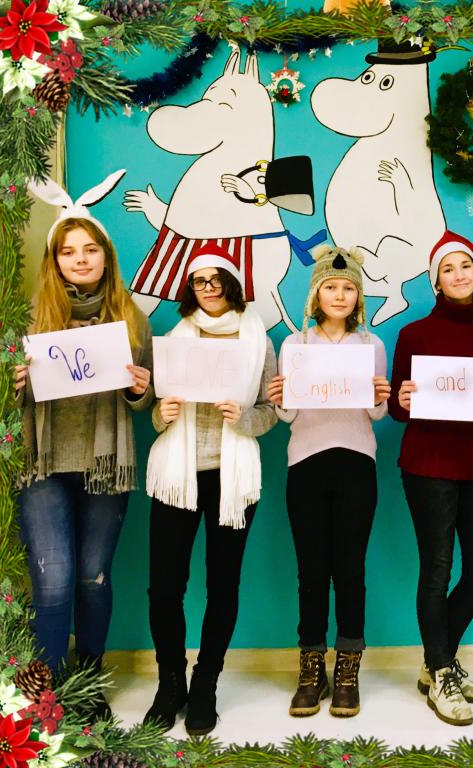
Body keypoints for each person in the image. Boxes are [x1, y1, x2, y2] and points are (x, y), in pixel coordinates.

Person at [17, 171, 153, 710]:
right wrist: (15, 384)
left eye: (90, 249)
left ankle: (87, 685)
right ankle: (47, 694)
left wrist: (140, 389)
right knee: (53, 581)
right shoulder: (31, 317)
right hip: (45, 464)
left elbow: (145, 398)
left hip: (106, 463)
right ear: (54, 260)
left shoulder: (131, 318)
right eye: (69, 251)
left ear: (105, 257)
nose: (80, 259)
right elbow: (2, 403)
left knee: (94, 579)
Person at [143, 244, 277, 735]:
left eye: (218, 280)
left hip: (231, 477)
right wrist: (162, 414)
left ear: (232, 285)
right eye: (200, 281)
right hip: (176, 477)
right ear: (190, 288)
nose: (209, 288)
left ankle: (205, 684)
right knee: (164, 588)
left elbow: (269, 411)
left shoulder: (257, 339)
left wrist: (244, 419)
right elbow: (156, 414)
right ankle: (170, 682)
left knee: (222, 585)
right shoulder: (174, 338)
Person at [389, 231, 473, 727]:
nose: (458, 275)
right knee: (437, 570)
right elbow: (399, 408)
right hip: (427, 465)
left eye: (466, 267)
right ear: (436, 281)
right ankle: (442, 671)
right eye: (448, 269)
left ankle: (436, 659)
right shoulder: (414, 335)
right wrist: (402, 398)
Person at [267, 245, 390, 718]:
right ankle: (311, 665)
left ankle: (348, 667)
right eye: (330, 287)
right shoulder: (295, 345)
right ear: (315, 294)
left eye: (348, 288)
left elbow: (375, 414)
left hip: (357, 460)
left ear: (358, 297)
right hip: (306, 461)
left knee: (351, 568)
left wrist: (379, 397)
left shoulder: (371, 346)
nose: (339, 295)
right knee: (312, 570)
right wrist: (280, 398)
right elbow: (288, 416)